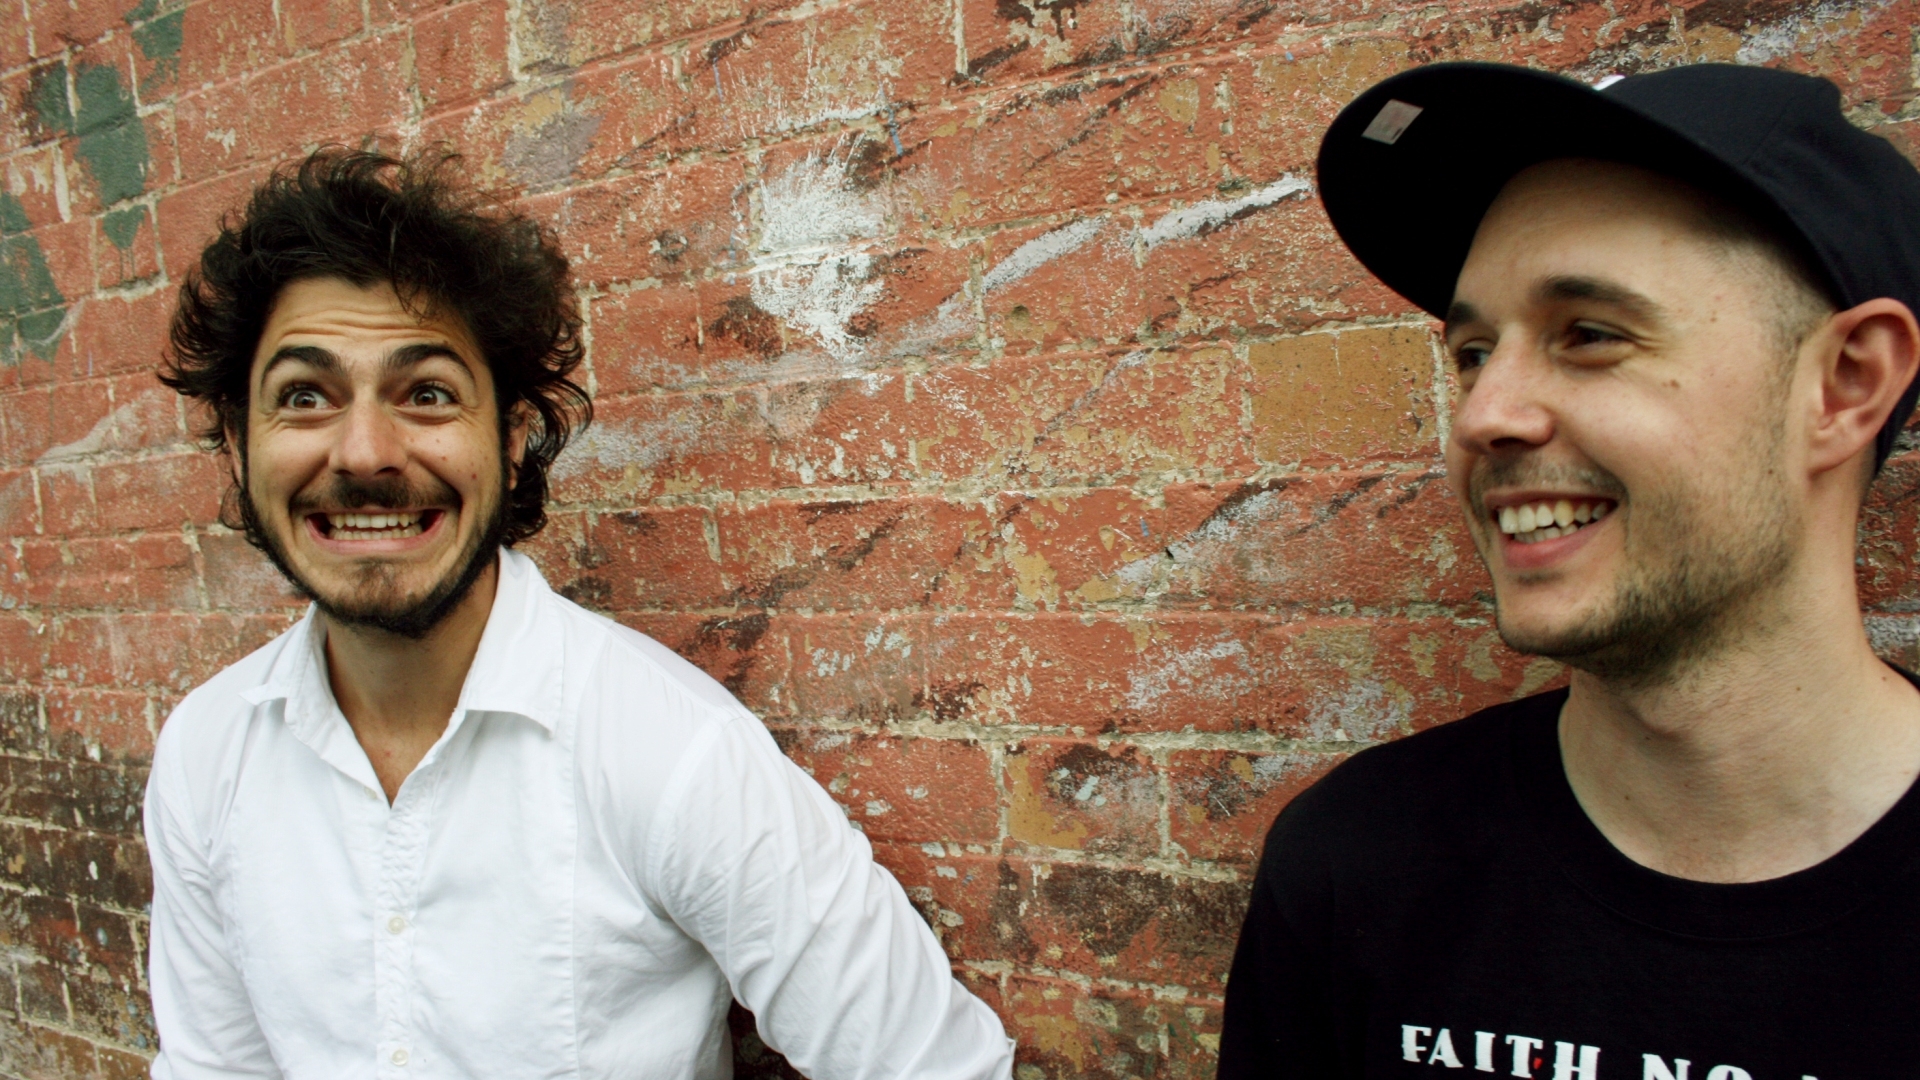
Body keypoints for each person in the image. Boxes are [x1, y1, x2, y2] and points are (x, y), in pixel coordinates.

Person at [145, 148, 1014, 1080]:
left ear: (512, 437)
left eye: (427, 393)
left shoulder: (669, 751)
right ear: (238, 442)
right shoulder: (206, 754)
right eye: (304, 397)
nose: (364, 453)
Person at [1217, 63, 1920, 1078]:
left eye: (1589, 334)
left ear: (1846, 385)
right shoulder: (1359, 863)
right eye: (1472, 353)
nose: (1483, 416)